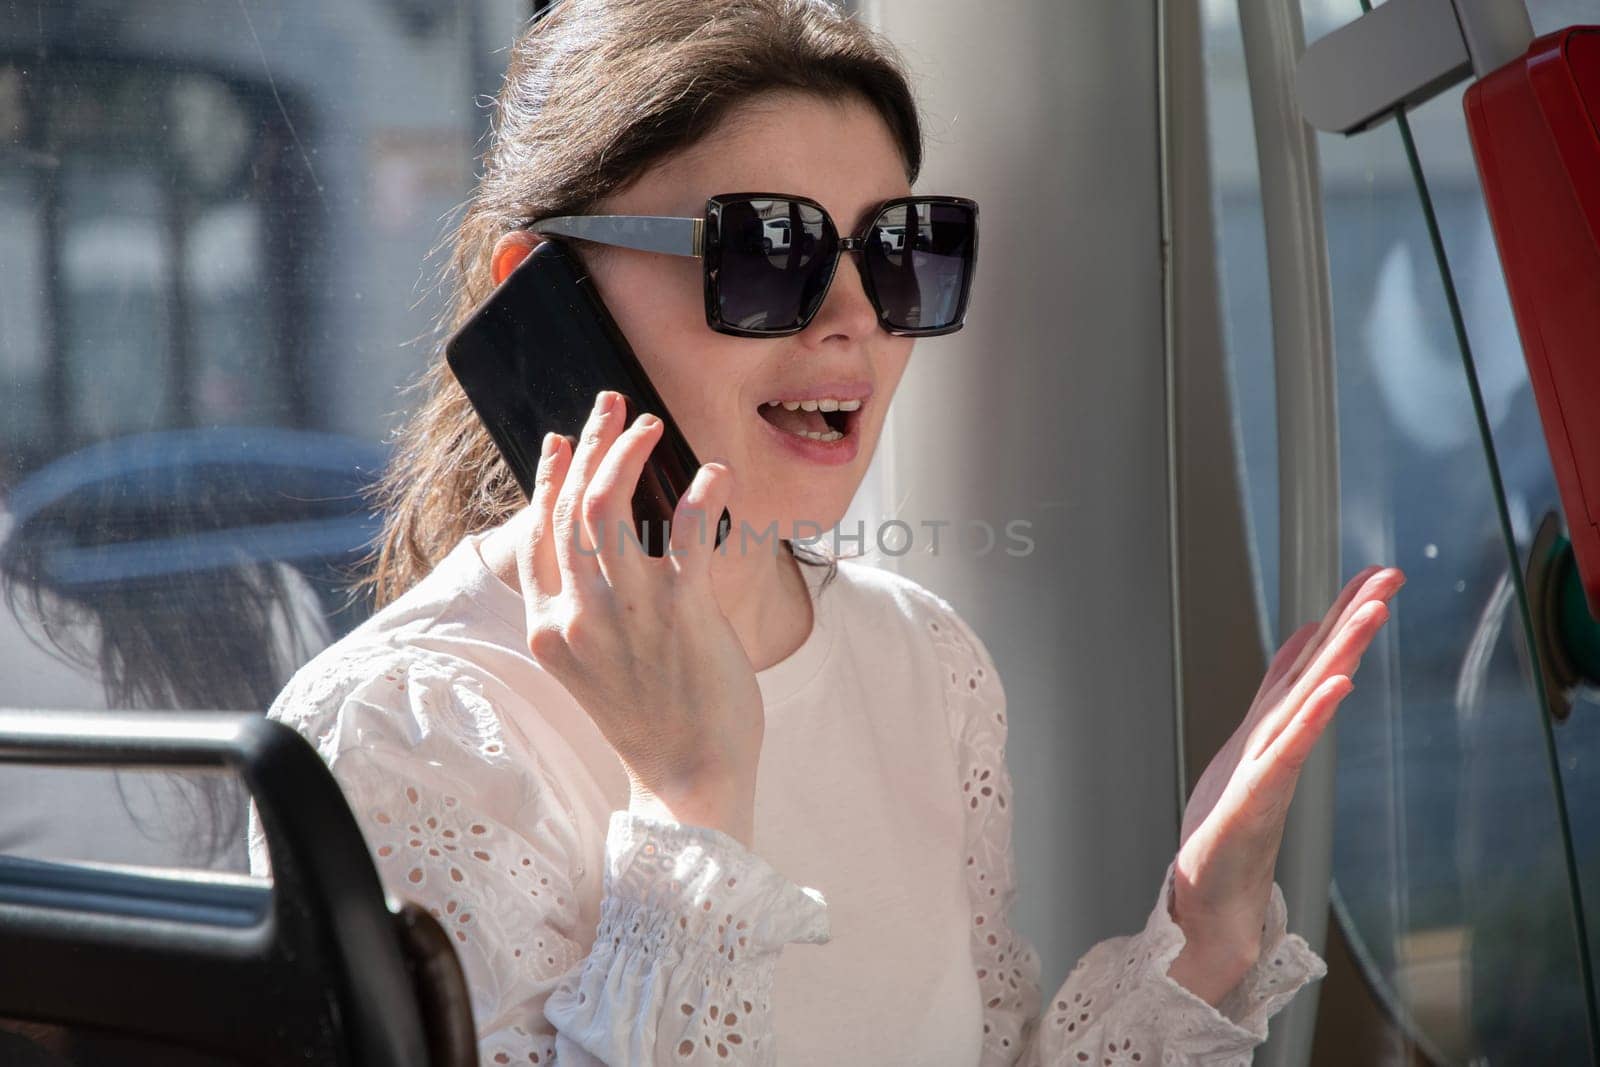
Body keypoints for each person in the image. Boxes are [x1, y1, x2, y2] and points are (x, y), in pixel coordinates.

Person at [246, 0, 1404, 1062]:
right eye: (765, 252)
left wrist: (1201, 936)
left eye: (901, 251)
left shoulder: (928, 661)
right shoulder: (396, 727)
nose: (854, 320)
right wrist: (694, 796)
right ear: (540, 289)